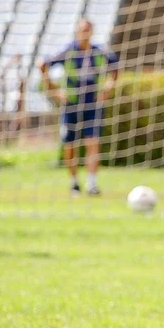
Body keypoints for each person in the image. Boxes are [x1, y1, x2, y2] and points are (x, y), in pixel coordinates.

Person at [39, 19, 118, 197]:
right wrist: (54, 90)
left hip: (93, 103)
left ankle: (92, 184)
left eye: (88, 30)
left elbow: (116, 70)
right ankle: (74, 184)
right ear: (77, 32)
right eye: (82, 30)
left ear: (92, 32)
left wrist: (107, 89)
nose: (85, 33)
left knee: (93, 142)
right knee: (70, 145)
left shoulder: (99, 52)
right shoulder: (68, 52)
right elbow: (43, 65)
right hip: (71, 104)